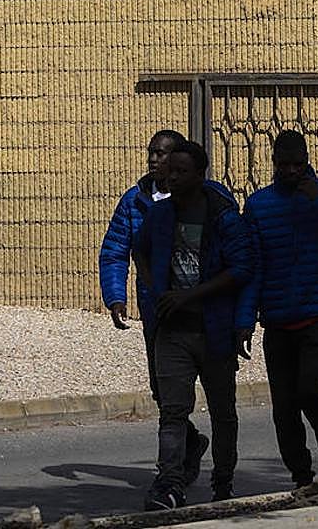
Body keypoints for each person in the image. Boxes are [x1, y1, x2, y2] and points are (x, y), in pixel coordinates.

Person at [133, 140, 258, 510]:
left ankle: (223, 480)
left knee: (222, 411)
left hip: (214, 329)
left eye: (180, 171)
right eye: (169, 171)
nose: (171, 177)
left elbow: (241, 269)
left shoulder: (223, 218)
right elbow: (137, 247)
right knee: (173, 411)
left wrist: (194, 296)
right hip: (172, 328)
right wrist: (154, 288)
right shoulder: (159, 216)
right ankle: (169, 482)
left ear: (199, 175)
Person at [242, 130, 318, 488]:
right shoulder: (259, 206)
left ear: (308, 161)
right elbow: (254, 267)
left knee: (310, 390)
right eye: (284, 165)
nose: (292, 172)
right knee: (284, 406)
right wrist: (245, 319)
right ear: (274, 164)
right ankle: (301, 476)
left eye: (298, 165)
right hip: (278, 316)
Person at [98, 130, 211, 486]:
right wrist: (115, 295)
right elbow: (116, 249)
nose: (154, 160)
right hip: (157, 311)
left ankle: (204, 475)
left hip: (200, 310)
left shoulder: (203, 200)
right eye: (151, 153)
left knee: (209, 394)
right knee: (163, 390)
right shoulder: (136, 201)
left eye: (162, 154)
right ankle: (188, 446)